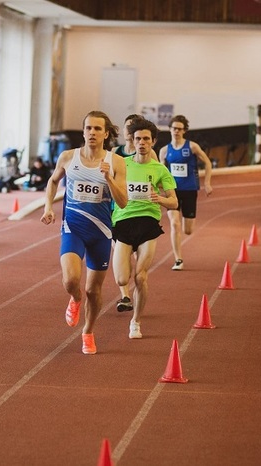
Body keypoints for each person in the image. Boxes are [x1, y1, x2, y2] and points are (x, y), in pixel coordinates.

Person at [40, 110, 128, 355]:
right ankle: (75, 299)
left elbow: (122, 202)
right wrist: (49, 206)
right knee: (70, 281)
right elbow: (52, 181)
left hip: (100, 233)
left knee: (94, 290)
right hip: (73, 228)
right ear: (83, 131)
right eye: (88, 128)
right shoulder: (68, 157)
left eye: (97, 129)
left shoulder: (116, 162)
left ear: (106, 133)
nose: (92, 133)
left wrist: (109, 178)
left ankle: (88, 332)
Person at [112, 118, 178, 339]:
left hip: (148, 222)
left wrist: (158, 198)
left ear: (153, 142)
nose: (141, 142)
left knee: (140, 277)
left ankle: (136, 322)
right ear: (133, 140)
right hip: (122, 221)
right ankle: (126, 293)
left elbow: (174, 202)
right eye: (138, 138)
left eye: (146, 139)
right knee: (122, 279)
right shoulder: (122, 164)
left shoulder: (160, 170)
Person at [159, 115, 213, 270]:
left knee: (187, 230)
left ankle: (185, 224)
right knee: (174, 224)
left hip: (189, 190)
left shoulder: (192, 147)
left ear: (184, 131)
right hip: (173, 192)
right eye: (173, 128)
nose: (176, 131)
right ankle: (178, 259)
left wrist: (207, 183)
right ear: (169, 129)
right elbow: (161, 171)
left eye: (179, 129)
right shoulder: (164, 151)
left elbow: (208, 162)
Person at [112, 114, 145, 313]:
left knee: (135, 258)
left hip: (139, 212)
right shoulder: (115, 152)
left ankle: (136, 288)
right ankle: (125, 295)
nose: (129, 131)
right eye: (127, 127)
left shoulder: (147, 154)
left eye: (133, 127)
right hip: (118, 211)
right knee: (119, 252)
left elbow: (156, 176)